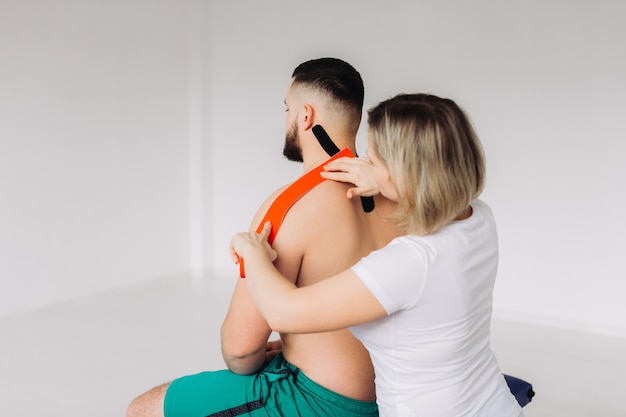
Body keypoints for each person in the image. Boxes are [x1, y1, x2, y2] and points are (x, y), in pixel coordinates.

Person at [126, 58, 400, 417]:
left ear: (305, 116)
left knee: (142, 409)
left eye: (287, 109)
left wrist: (258, 354)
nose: (287, 119)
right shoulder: (395, 195)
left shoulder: (292, 206)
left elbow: (240, 350)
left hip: (321, 401)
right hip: (394, 391)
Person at [230, 93, 524, 417]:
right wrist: (384, 179)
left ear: (402, 172)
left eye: (373, 159)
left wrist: (253, 252)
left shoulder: (410, 261)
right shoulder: (479, 217)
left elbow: (283, 312)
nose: (365, 162)